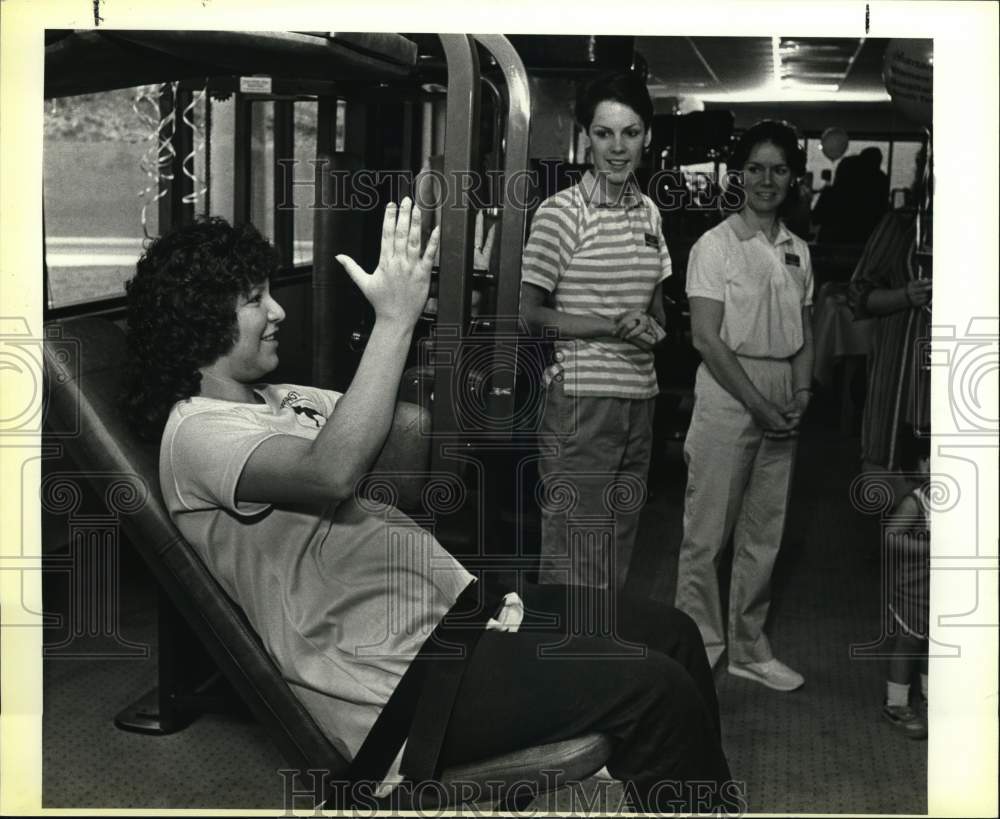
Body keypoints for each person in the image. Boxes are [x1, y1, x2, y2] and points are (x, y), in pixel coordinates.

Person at [122, 202, 734, 812]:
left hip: (459, 619)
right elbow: (332, 472)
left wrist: (410, 354)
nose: (278, 311)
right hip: (399, 682)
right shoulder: (197, 433)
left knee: (673, 636)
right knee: (654, 691)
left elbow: (407, 449)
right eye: (256, 299)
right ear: (202, 318)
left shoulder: (281, 398)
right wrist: (393, 322)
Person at [673, 120, 814, 691]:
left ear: (793, 178)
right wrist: (757, 403)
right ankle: (696, 653)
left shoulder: (798, 250)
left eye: (778, 169)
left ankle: (749, 648)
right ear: (739, 175)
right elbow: (706, 338)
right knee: (707, 535)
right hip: (730, 390)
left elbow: (805, 332)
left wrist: (801, 393)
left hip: (782, 388)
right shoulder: (715, 246)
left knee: (764, 532)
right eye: (755, 168)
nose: (766, 180)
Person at [520, 71, 671, 591]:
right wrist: (611, 327)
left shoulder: (650, 213)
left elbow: (658, 316)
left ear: (647, 136)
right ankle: (566, 641)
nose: (617, 147)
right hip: (581, 398)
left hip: (640, 397)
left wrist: (647, 325)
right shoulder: (560, 213)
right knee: (575, 545)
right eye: (604, 133)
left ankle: (602, 638)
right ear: (586, 136)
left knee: (618, 541)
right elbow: (529, 313)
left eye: (630, 132)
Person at [847, 150, 931, 503]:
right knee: (898, 476)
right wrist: (905, 295)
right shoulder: (901, 224)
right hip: (902, 366)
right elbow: (859, 294)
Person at [879, 427, 930, 740]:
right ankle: (896, 703)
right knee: (909, 642)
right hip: (913, 589)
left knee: (934, 644)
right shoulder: (915, 503)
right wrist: (927, 548)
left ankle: (931, 692)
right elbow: (891, 537)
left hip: (942, 591)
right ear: (922, 465)